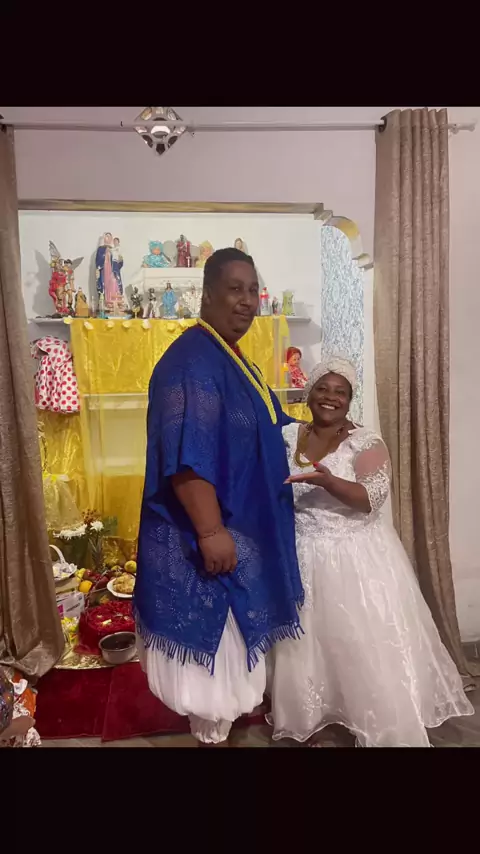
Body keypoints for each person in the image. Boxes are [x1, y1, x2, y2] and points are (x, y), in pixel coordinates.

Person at [134, 247, 303, 747]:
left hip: (240, 532)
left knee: (230, 683)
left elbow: (272, 426)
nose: (247, 301)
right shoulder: (193, 362)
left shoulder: (230, 357)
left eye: (253, 290)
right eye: (235, 289)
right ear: (206, 295)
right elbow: (188, 457)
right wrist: (210, 531)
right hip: (209, 543)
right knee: (213, 686)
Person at [268, 357, 474, 747]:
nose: (330, 397)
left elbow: (371, 500)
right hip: (302, 553)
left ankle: (373, 718)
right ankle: (314, 713)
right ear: (309, 393)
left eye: (340, 392)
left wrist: (330, 482)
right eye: (322, 389)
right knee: (310, 644)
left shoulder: (366, 441)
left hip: (355, 559)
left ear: (350, 400)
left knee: (359, 646)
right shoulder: (289, 435)